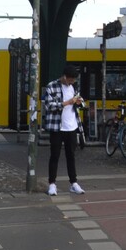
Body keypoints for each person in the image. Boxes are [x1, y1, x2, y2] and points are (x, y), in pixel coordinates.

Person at [42, 65, 85, 196]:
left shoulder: (74, 87)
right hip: (57, 127)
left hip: (72, 126)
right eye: (70, 80)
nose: (72, 82)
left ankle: (74, 183)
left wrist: (79, 103)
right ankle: (52, 184)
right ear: (65, 77)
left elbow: (81, 104)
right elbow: (49, 106)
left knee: (71, 155)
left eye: (73, 81)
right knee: (54, 155)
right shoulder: (52, 86)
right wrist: (68, 102)